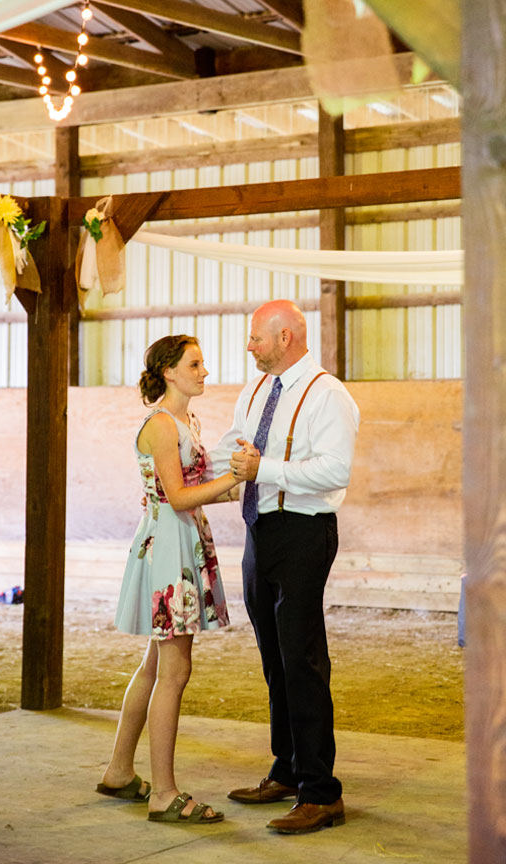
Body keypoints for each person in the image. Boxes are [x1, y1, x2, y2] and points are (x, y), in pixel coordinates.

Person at [213, 299, 359, 834]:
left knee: (302, 658)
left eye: (256, 337)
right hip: (260, 529)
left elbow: (337, 469)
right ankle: (288, 768)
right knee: (274, 657)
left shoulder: (328, 395)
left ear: (286, 337)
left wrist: (264, 467)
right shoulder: (256, 390)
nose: (249, 345)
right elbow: (234, 445)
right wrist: (191, 465)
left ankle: (322, 791)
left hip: (303, 531)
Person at [97, 334, 238, 825]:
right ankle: (164, 792)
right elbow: (178, 497)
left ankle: (119, 770)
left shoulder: (186, 421)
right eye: (195, 364)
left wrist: (231, 485)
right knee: (174, 670)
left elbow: (192, 492)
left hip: (183, 539)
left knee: (156, 666)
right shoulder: (161, 424)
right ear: (170, 372)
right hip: (170, 548)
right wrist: (236, 479)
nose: (204, 372)